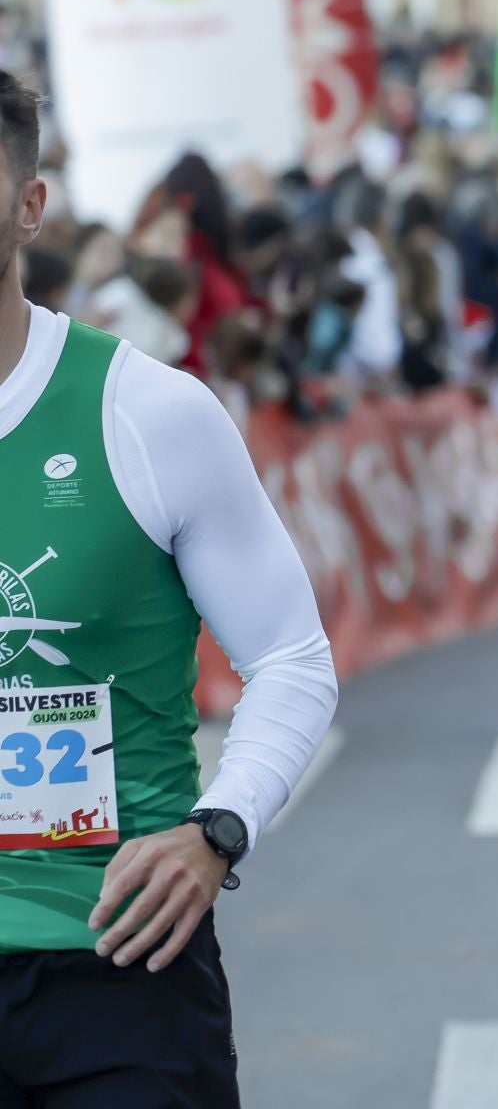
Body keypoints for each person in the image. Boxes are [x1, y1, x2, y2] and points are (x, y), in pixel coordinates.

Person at [0, 69, 339, 1103]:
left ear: (28, 206)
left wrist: (217, 828)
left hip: (115, 961)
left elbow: (290, 658)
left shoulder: (145, 412)